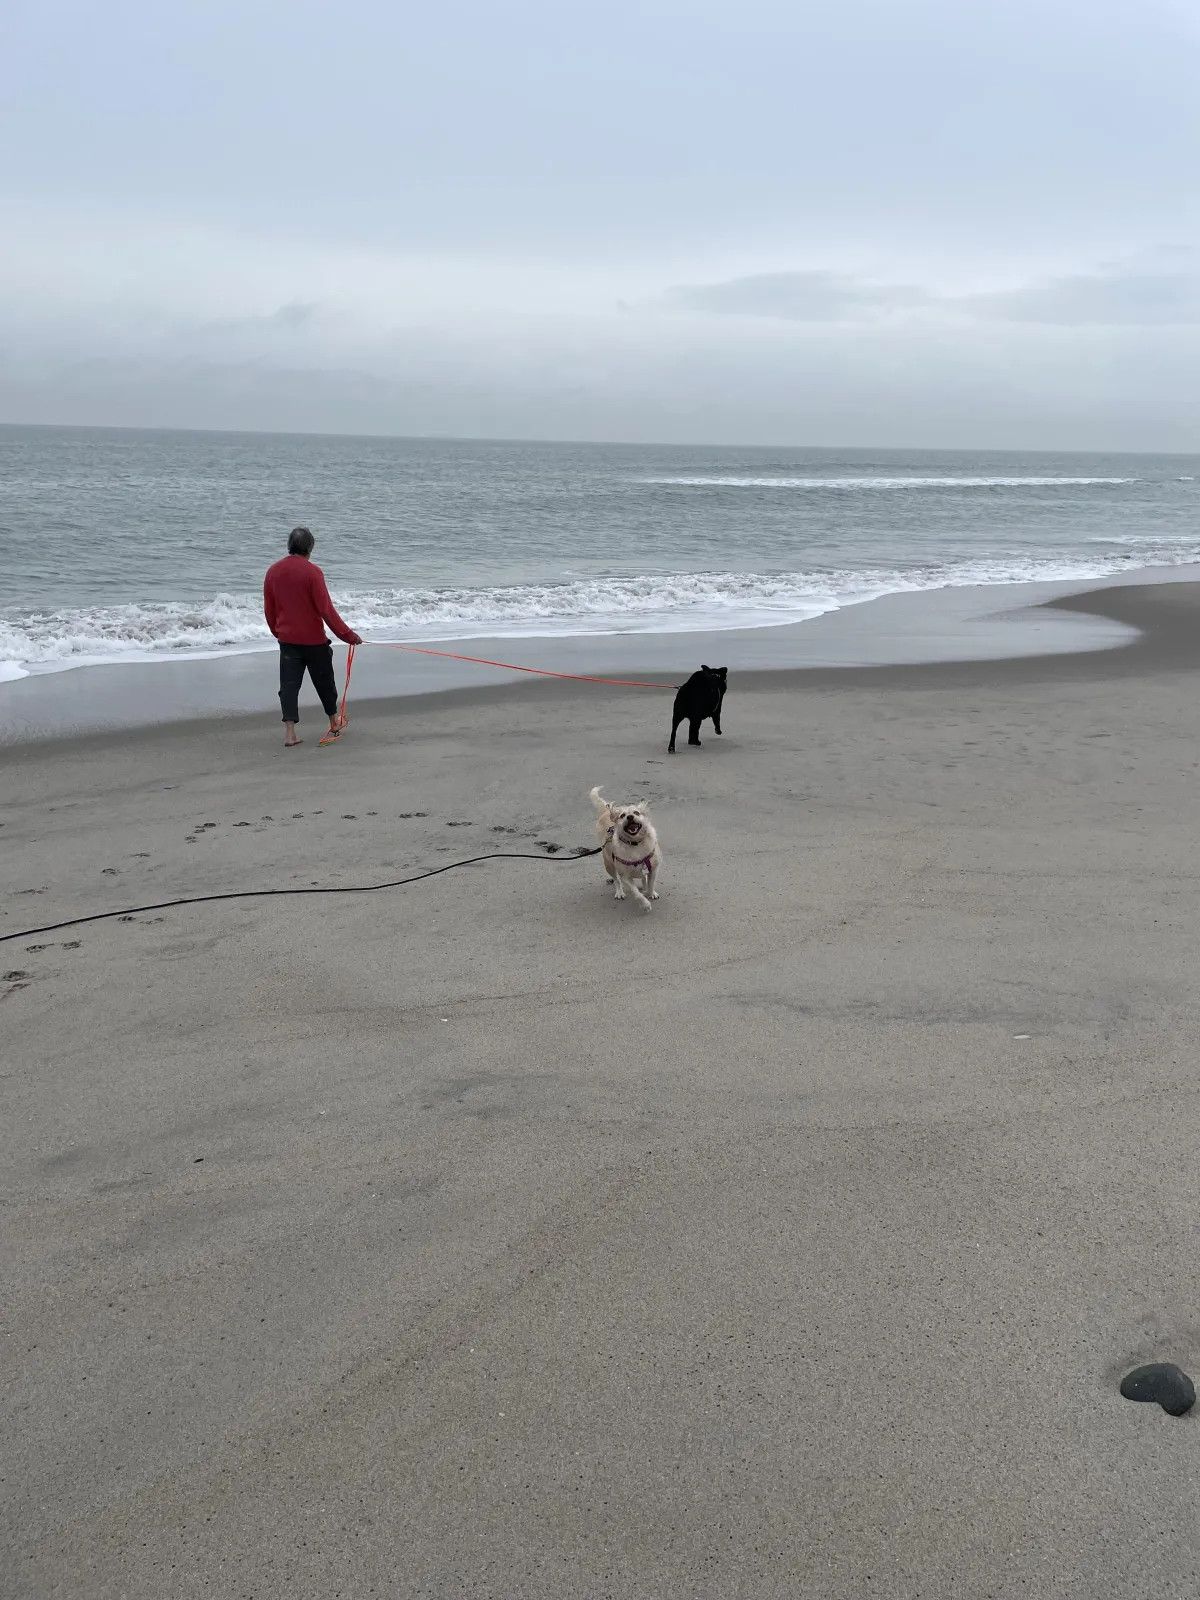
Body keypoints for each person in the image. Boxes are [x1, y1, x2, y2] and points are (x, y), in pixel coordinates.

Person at [263, 527, 363, 747]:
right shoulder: (313, 572)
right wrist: (348, 636)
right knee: (324, 681)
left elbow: (269, 610)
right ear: (310, 548)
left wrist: (277, 631)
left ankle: (290, 734)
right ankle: (334, 723)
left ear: (290, 545)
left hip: (288, 640)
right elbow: (326, 610)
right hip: (313, 640)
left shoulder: (273, 571)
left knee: (288, 686)